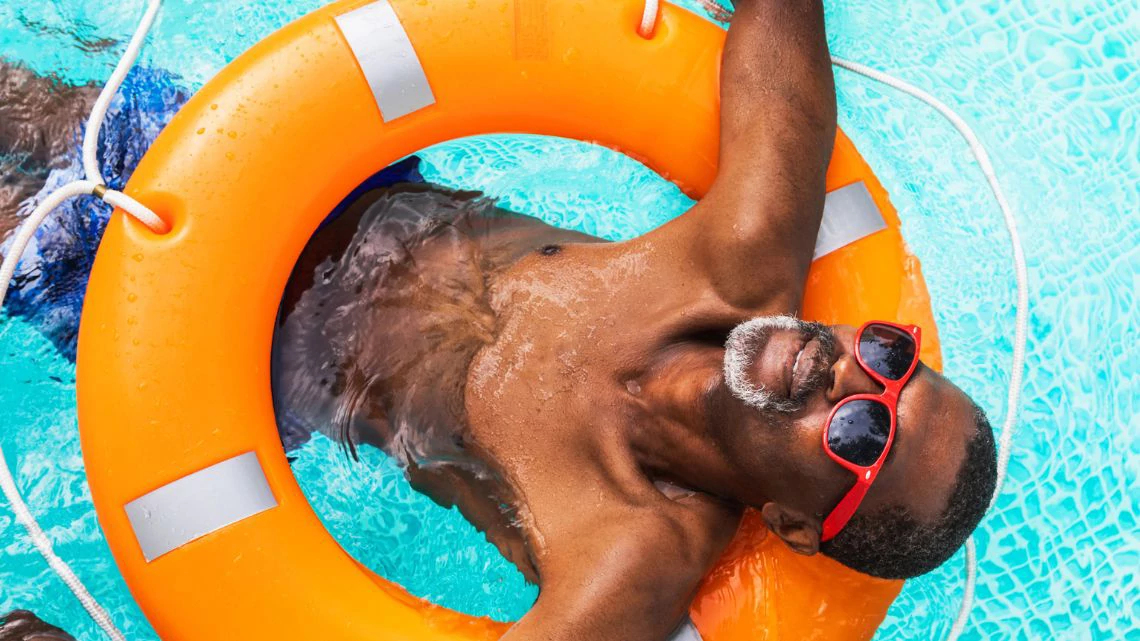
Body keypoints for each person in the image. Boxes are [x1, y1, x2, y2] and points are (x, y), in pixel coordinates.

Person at [271, 1, 998, 639]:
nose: (846, 373)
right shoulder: (742, 259)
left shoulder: (631, 553)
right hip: (341, 184)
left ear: (792, 524)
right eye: (890, 358)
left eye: (861, 432)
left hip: (260, 367)